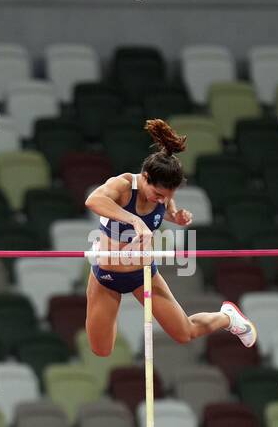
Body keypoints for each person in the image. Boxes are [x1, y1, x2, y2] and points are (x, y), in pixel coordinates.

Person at [83, 119, 256, 357]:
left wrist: (177, 217)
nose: (162, 200)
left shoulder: (162, 197)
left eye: (168, 196)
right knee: (101, 350)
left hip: (142, 274)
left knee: (185, 333)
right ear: (145, 177)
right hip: (106, 275)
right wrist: (135, 222)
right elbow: (93, 200)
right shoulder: (122, 186)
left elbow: (165, 211)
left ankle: (228, 318)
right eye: (158, 194)